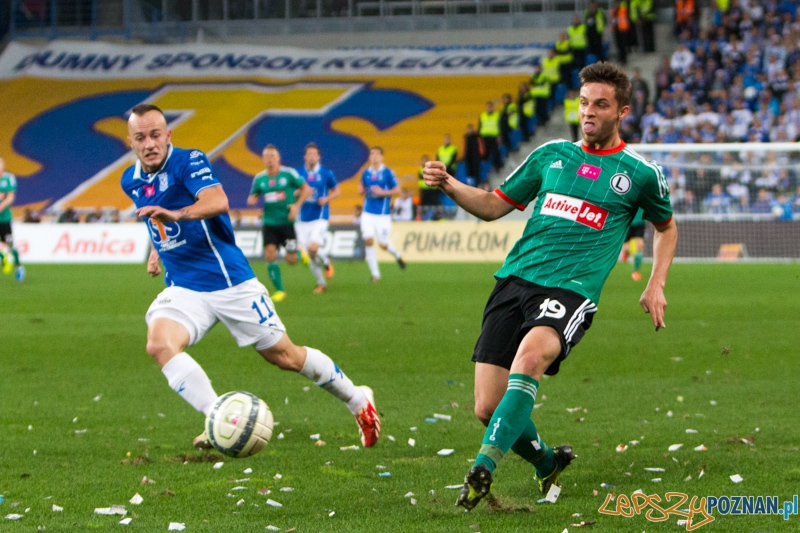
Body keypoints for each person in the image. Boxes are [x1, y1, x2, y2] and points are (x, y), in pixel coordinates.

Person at [422, 62, 677, 511]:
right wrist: (448, 183)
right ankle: (547, 462)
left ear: (622, 111)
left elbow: (666, 228)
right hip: (515, 280)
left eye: (600, 104)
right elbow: (490, 206)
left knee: (532, 356)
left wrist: (656, 284)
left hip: (570, 291)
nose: (588, 112)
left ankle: (483, 468)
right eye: (583, 103)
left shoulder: (639, 173)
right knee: (486, 407)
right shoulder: (549, 155)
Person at [120, 104, 380, 451]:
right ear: (131, 142)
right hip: (183, 286)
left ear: (168, 135)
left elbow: (218, 200)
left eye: (155, 135)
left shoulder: (188, 160)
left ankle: (359, 401)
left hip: (229, 280)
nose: (149, 143)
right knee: (159, 343)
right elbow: (156, 220)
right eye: (141, 137)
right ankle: (219, 417)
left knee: (285, 356)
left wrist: (177, 214)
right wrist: (157, 251)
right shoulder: (130, 179)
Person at [247, 145, 311, 302]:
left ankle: (299, 251)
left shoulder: (288, 174)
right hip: (269, 222)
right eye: (266, 155)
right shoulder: (260, 178)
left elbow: (306, 190)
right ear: (263, 158)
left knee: (291, 261)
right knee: (269, 254)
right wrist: (253, 200)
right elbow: (253, 196)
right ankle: (280, 290)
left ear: (278, 158)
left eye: (272, 155)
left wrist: (296, 206)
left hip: (286, 222)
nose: (269, 158)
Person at [296, 143, 338, 294]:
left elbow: (336, 191)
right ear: (305, 157)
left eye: (314, 154)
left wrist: (326, 199)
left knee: (313, 248)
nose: (312, 156)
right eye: (309, 154)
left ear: (318, 156)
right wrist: (298, 194)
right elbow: (292, 192)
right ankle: (322, 280)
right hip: (302, 218)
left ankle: (322, 277)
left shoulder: (326, 173)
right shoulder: (298, 173)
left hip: (320, 216)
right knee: (311, 253)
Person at [359, 147, 406, 281]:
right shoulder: (365, 173)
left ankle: (397, 255)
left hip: (382, 215)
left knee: (383, 244)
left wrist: (383, 193)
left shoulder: (388, 173)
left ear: (382, 157)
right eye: (372, 154)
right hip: (367, 213)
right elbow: (361, 188)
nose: (374, 156)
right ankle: (375, 275)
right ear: (369, 157)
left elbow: (397, 190)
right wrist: (361, 190)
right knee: (368, 240)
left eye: (377, 154)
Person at [0, 158, 24, 281]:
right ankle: (3, 258)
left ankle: (18, 267)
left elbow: (10, 197)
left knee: (10, 244)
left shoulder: (8, 178)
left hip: (4, 219)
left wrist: (1, 206)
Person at [619, 208, 646, 280]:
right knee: (625, 247)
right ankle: (626, 253)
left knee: (640, 245)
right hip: (627, 221)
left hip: (639, 222)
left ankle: (636, 271)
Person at [479, 101, 503, 173]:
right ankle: (486, 170)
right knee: (485, 154)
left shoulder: (497, 115)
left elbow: (500, 126)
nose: (489, 108)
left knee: (496, 152)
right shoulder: (482, 115)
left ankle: (497, 167)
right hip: (484, 137)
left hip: (494, 136)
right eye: (488, 107)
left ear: (493, 107)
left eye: (490, 107)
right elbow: (480, 127)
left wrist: (499, 135)